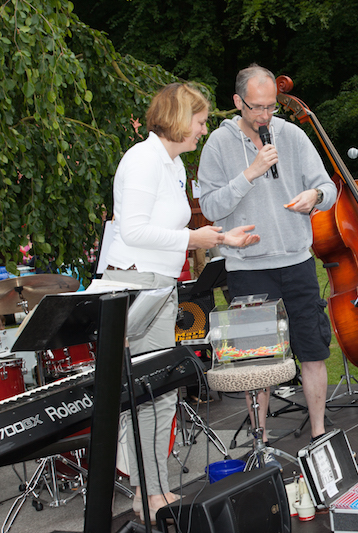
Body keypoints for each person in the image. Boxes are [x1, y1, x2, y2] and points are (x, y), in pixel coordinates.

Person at [105, 83, 259, 523]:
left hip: (161, 286)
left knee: (162, 394)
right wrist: (194, 238)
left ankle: (156, 492)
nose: (203, 129)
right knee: (144, 395)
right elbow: (131, 231)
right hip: (134, 286)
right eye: (200, 119)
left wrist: (223, 237)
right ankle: (148, 494)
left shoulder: (172, 165)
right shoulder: (141, 160)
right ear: (177, 117)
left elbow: (173, 228)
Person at [198, 64, 336, 449]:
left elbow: (328, 186)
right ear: (238, 102)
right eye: (256, 107)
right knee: (255, 364)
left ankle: (319, 433)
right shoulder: (218, 145)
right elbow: (209, 206)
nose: (264, 116)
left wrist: (316, 197)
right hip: (248, 268)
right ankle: (261, 444)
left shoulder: (291, 135)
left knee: (312, 349)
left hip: (296, 261)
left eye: (270, 107)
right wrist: (250, 173)